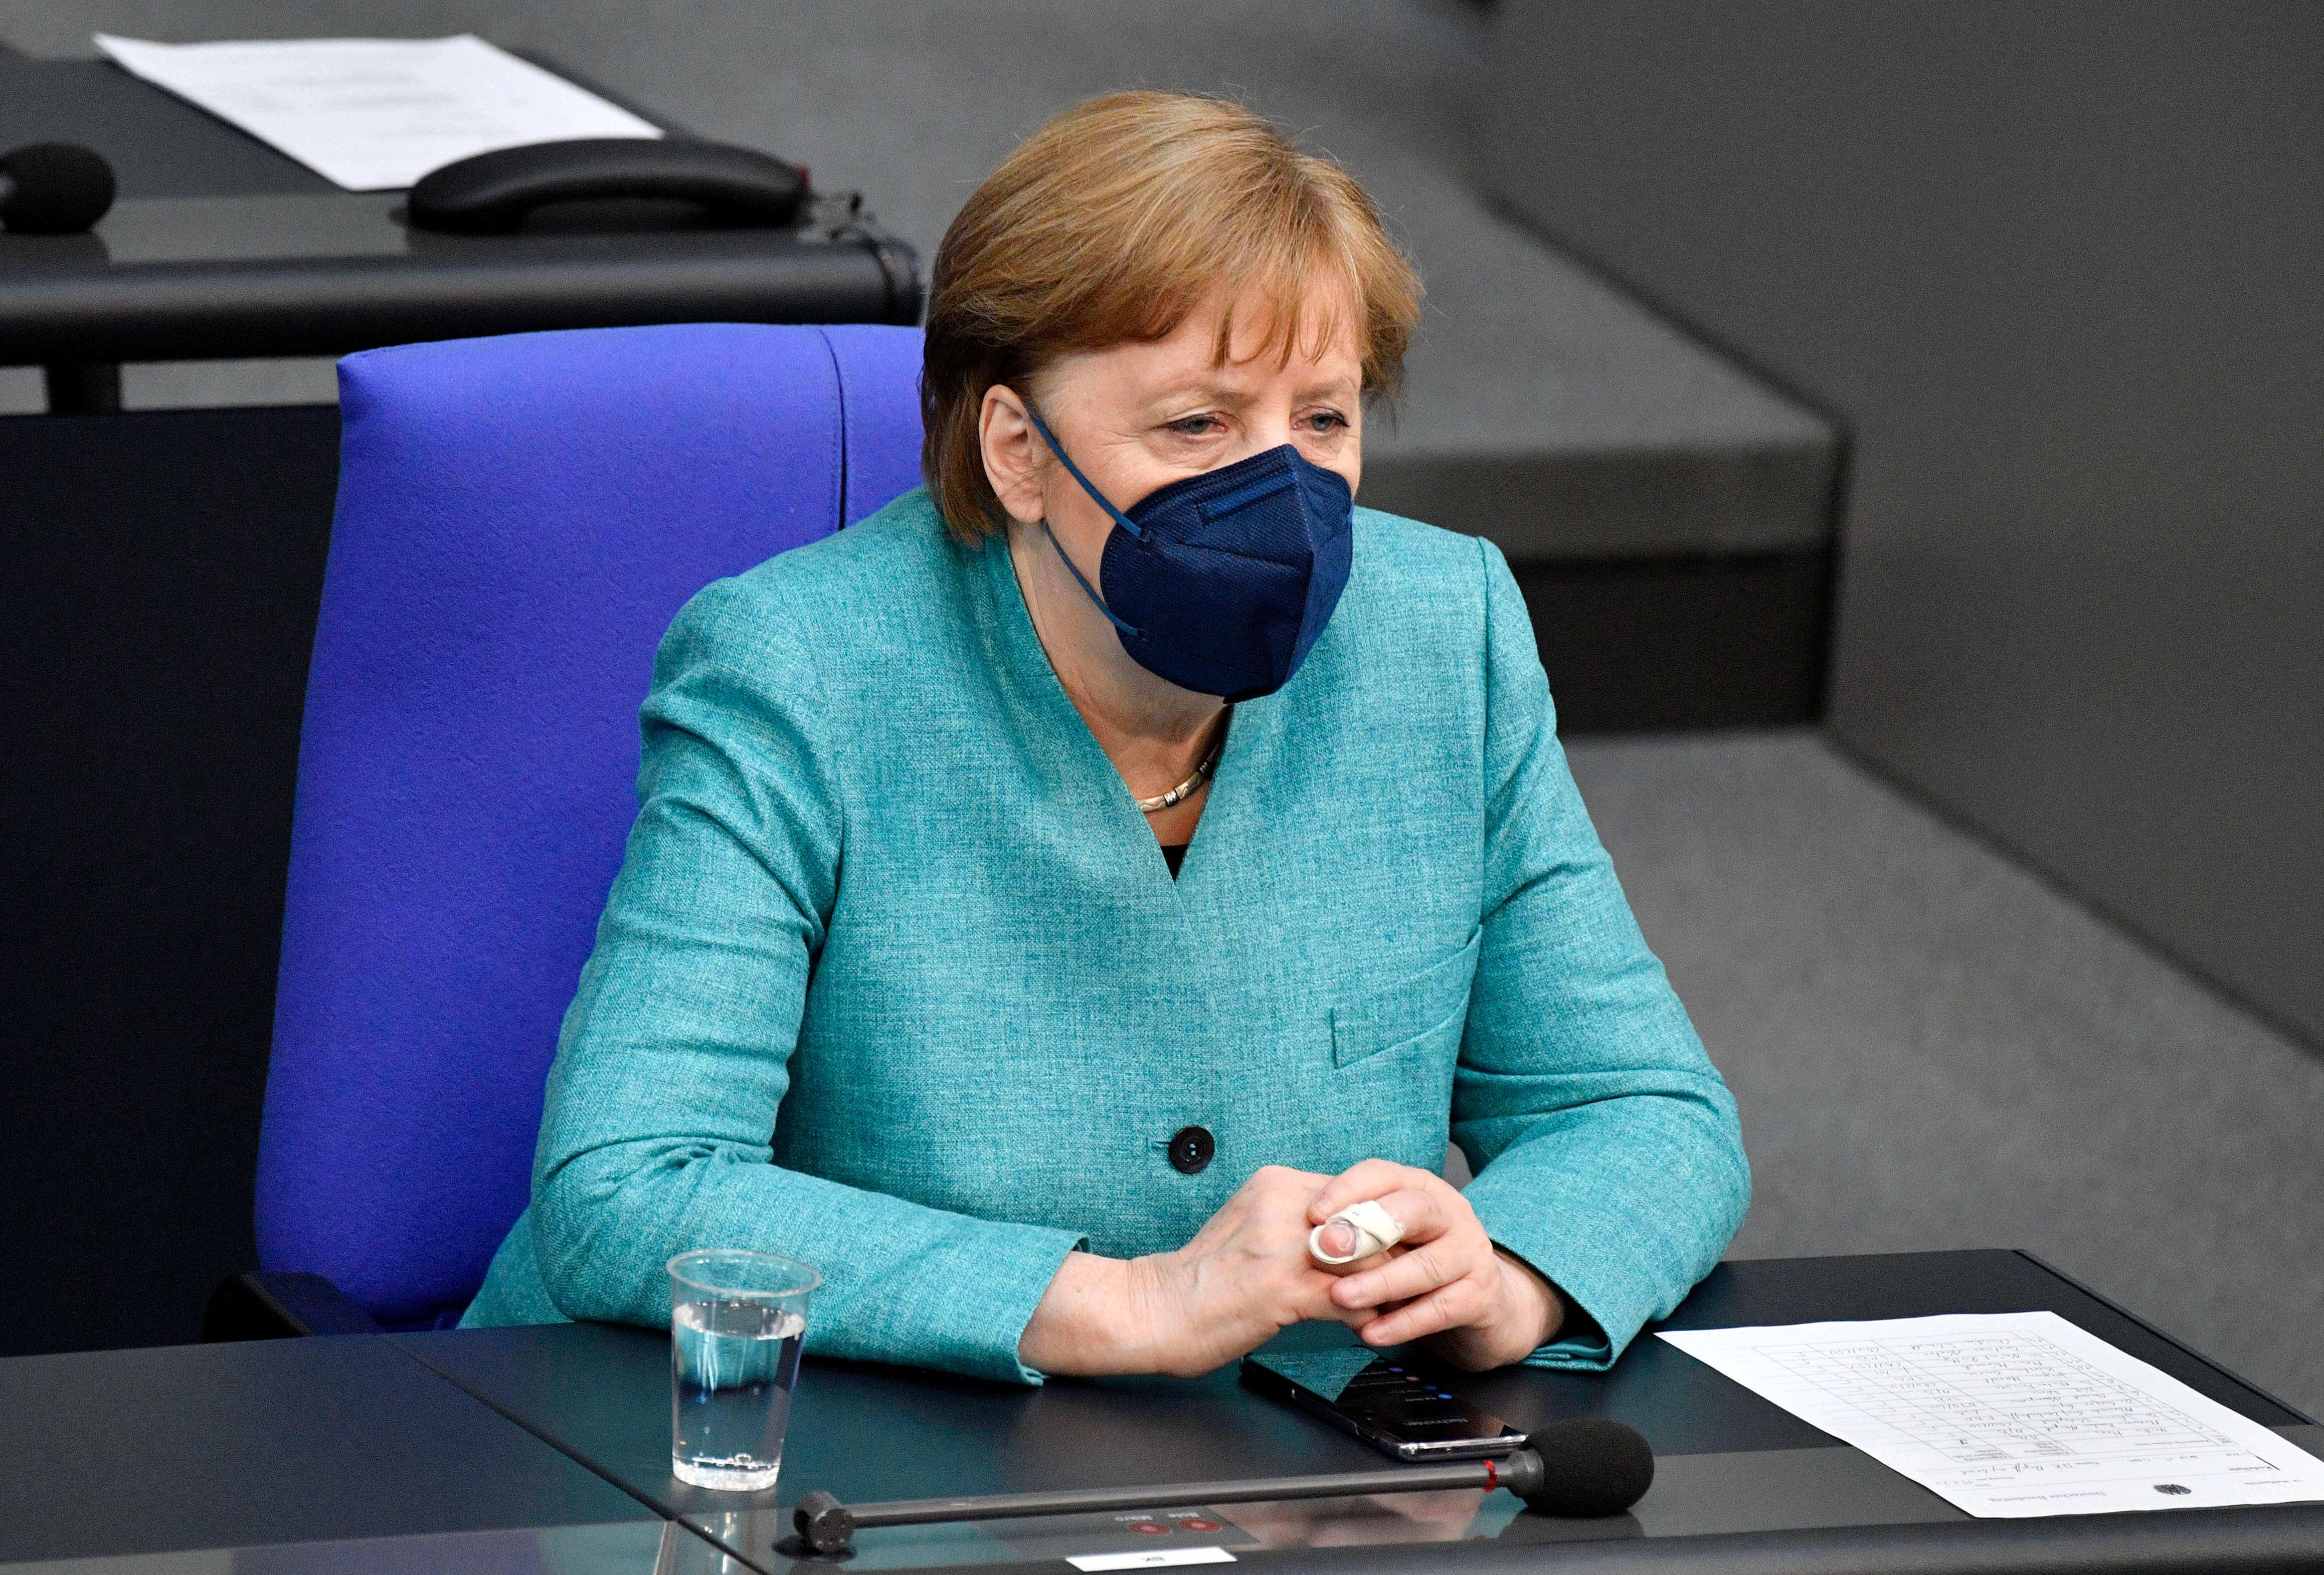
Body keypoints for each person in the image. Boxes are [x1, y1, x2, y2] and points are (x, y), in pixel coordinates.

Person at [463, 90, 1749, 1384]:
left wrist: (1504, 1275)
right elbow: (626, 1189)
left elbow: (1643, 1111)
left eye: (1322, 419)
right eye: (1196, 425)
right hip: (776, 1447)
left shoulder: (1438, 635)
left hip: (1256, 1480)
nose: (1282, 491)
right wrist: (1126, 1304)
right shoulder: (797, 669)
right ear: (1018, 452)